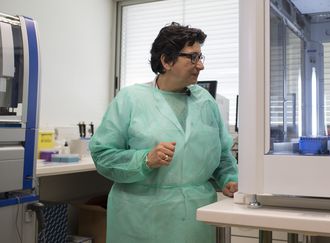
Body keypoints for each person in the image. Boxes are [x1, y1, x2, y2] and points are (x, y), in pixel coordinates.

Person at [89, 22, 238, 243]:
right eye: (193, 57)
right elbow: (103, 155)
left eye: (201, 57)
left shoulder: (206, 101)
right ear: (167, 61)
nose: (200, 66)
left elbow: (223, 155)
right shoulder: (131, 99)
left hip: (196, 216)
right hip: (141, 216)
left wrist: (229, 179)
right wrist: (145, 159)